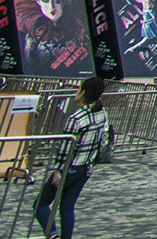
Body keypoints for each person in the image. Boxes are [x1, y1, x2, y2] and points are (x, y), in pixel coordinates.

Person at [34, 75, 107, 239]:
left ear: (82, 93)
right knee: (67, 207)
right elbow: (103, 140)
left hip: (69, 168)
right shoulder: (102, 114)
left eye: (78, 89)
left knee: (40, 204)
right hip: (85, 168)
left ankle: (52, 234)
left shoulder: (75, 119)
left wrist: (57, 171)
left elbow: (64, 150)